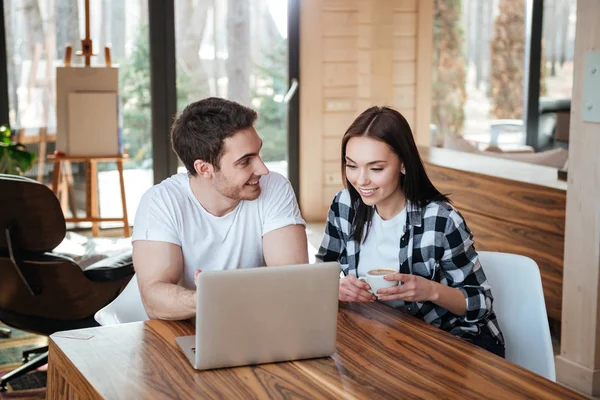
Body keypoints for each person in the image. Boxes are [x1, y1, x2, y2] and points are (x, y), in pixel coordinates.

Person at [316, 106, 505, 357]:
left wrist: (429, 290)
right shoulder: (345, 205)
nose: (361, 180)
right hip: (382, 337)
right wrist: (338, 289)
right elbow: (318, 277)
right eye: (352, 165)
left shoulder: (440, 219)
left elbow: (480, 303)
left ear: (403, 165)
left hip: (449, 342)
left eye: (376, 168)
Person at [133, 97, 308, 320]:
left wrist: (227, 295)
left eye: (258, 153)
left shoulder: (274, 187)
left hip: (257, 322)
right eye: (245, 161)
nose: (262, 169)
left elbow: (294, 282)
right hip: (185, 328)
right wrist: (205, 299)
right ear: (204, 168)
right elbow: (154, 299)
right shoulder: (161, 201)